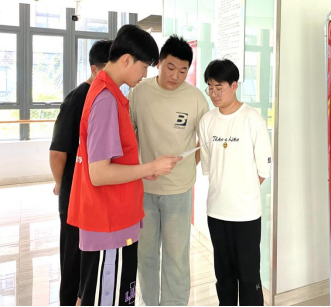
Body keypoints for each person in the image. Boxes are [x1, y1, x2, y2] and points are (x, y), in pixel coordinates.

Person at [67, 25, 182, 306]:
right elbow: (99, 173)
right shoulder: (106, 99)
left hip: (114, 219)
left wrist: (144, 170)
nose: (145, 74)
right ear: (127, 60)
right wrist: (150, 167)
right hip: (109, 223)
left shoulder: (108, 93)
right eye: (144, 67)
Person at [127, 35, 209, 306]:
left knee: (176, 256)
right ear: (159, 63)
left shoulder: (196, 99)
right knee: (146, 254)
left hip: (179, 191)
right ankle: (149, 303)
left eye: (183, 71)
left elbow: (204, 142)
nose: (176, 76)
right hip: (143, 189)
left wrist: (186, 168)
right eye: (170, 67)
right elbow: (128, 137)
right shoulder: (139, 92)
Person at [199, 59, 271, 306]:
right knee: (224, 276)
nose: (214, 94)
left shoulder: (252, 119)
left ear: (234, 86)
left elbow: (263, 169)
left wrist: (243, 190)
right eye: (210, 88)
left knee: (249, 276)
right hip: (216, 212)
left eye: (219, 88)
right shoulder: (207, 121)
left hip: (246, 214)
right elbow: (208, 165)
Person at [50, 39, 112, 306]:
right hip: (74, 194)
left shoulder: (104, 97)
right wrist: (61, 185)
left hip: (93, 194)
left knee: (88, 258)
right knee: (73, 258)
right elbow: (57, 153)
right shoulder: (77, 99)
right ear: (95, 69)